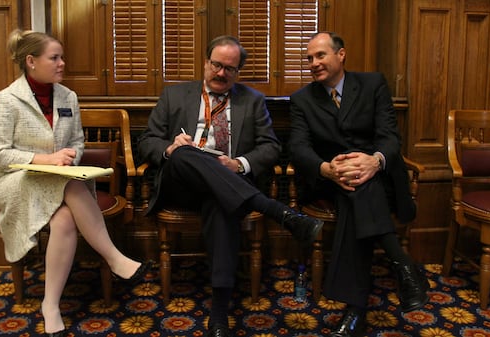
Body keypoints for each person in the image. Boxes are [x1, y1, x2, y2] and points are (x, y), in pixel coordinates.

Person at [138, 35, 323, 337]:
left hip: (229, 183)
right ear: (205, 62)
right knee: (186, 152)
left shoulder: (252, 100)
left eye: (230, 69)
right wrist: (171, 148)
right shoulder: (174, 95)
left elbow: (270, 147)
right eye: (216, 65)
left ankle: (219, 313)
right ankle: (277, 211)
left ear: (238, 73)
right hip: (180, 183)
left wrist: (238, 164)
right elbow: (146, 141)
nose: (221, 73)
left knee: (221, 201)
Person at [0, 30, 151, 337]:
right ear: (31, 61)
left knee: (64, 220)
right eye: (55, 57)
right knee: (72, 187)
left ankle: (50, 305)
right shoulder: (6, 100)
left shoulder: (67, 97)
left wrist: (67, 162)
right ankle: (114, 258)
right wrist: (47, 160)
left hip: (59, 180)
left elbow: (75, 141)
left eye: (61, 57)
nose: (62, 63)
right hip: (16, 181)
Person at [288, 32, 430, 337]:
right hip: (330, 180)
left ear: (341, 55)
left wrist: (375, 161)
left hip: (376, 177)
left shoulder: (372, 84)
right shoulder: (302, 99)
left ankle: (356, 310)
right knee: (356, 186)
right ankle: (404, 265)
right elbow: (298, 147)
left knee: (361, 190)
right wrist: (326, 169)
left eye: (320, 55)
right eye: (310, 58)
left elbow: (390, 137)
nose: (314, 63)